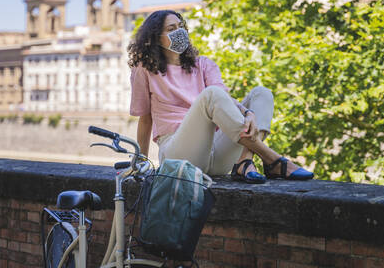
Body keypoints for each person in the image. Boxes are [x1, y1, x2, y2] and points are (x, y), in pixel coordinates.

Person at [127, 10, 313, 183]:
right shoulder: (145, 69)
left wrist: (248, 112)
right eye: (171, 29)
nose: (180, 32)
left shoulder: (203, 64)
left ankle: (245, 160)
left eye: (181, 27)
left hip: (218, 156)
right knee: (210, 95)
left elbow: (223, 97)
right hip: (179, 154)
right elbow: (145, 118)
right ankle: (274, 160)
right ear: (156, 39)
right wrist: (141, 162)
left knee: (261, 93)